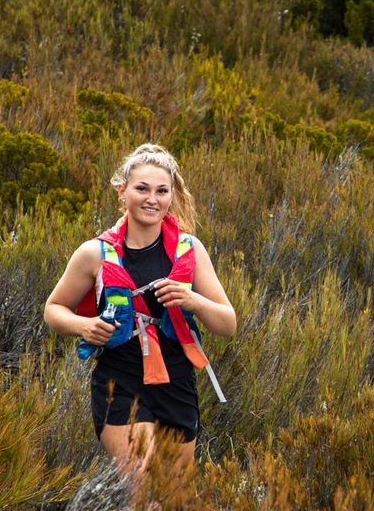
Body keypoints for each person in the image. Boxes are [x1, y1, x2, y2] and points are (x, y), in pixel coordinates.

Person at [43, 143, 237, 480]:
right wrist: (85, 326)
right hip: (121, 381)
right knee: (143, 487)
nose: (152, 199)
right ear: (123, 192)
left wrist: (192, 300)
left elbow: (227, 324)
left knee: (172, 497)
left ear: (172, 196)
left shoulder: (190, 250)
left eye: (162, 191)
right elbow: (53, 309)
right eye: (142, 188)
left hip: (177, 383)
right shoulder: (95, 253)